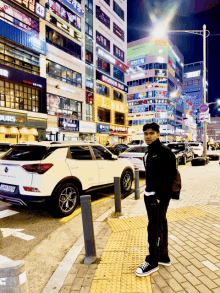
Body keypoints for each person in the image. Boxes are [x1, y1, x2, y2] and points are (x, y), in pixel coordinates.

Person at [136, 122, 176, 277]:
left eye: (151, 133)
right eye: (145, 133)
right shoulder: (149, 152)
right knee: (160, 225)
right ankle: (163, 257)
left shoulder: (164, 152)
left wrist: (159, 197)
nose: (148, 136)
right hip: (150, 195)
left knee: (154, 228)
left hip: (157, 197)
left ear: (158, 134)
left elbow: (170, 177)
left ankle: (152, 261)